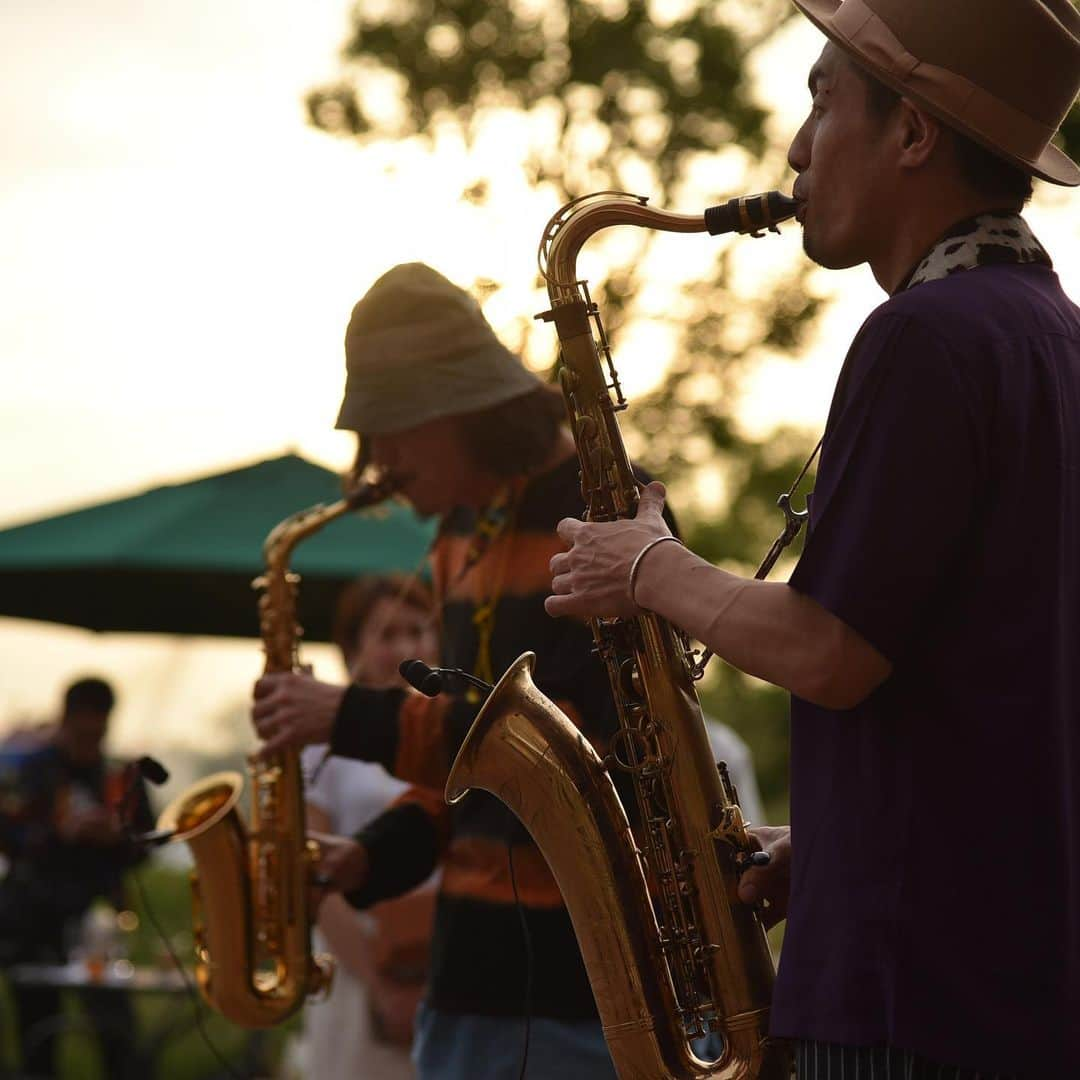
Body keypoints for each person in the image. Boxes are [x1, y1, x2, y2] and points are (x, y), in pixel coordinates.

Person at [545, 1, 1080, 1076]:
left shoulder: (926, 339)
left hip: (909, 1002)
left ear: (914, 133)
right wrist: (843, 853)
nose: (793, 150)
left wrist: (646, 567)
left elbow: (834, 652)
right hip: (1013, 984)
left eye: (821, 102)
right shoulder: (1048, 337)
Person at [251, 261, 684, 1079]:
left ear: (454, 412)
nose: (373, 460)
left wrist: (346, 718)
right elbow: (470, 779)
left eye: (388, 429)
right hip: (469, 987)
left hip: (588, 993)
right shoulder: (462, 529)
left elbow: (554, 751)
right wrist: (371, 856)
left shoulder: (599, 509)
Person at [292, 574, 440, 1080]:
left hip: (448, 965)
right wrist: (380, 984)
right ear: (352, 646)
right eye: (386, 635)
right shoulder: (323, 740)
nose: (405, 647)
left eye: (417, 630)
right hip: (357, 966)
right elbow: (313, 871)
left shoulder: (454, 730)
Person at [0, 677, 153, 1079]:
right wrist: (60, 832)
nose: (90, 741)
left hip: (97, 919)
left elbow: (147, 841)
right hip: (32, 919)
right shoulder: (30, 770)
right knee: (37, 1034)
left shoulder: (118, 776)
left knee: (116, 1035)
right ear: (66, 720)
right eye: (82, 730)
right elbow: (9, 834)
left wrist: (115, 836)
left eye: (98, 730)